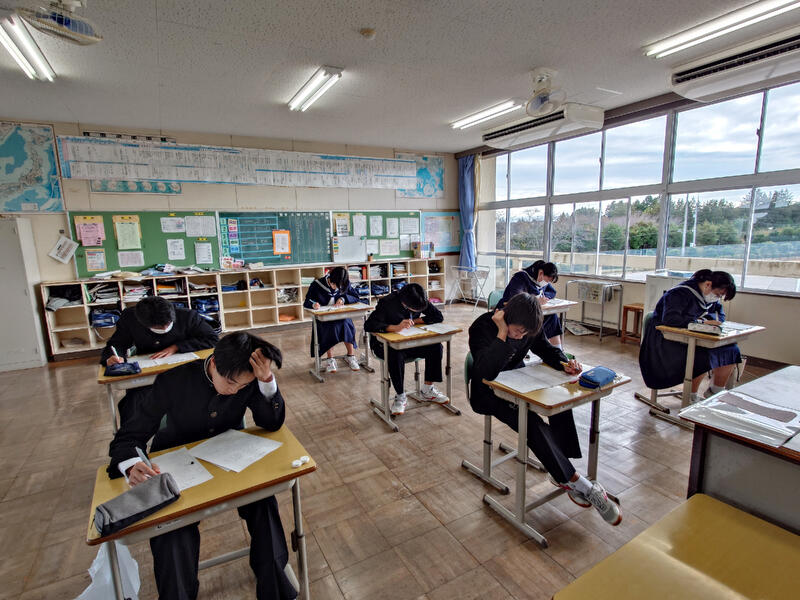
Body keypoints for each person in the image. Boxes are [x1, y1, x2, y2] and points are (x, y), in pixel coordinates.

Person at [107, 332, 296, 600]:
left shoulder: (248, 378)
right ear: (215, 364)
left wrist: (265, 381)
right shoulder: (173, 380)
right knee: (172, 532)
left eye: (243, 386)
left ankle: (275, 589)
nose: (235, 391)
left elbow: (271, 423)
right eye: (231, 383)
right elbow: (129, 436)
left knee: (264, 504)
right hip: (177, 467)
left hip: (230, 460)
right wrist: (132, 465)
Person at [468, 292, 622, 525]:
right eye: (517, 331)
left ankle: (560, 469)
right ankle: (578, 483)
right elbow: (485, 372)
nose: (520, 337)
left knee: (560, 402)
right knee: (531, 422)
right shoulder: (481, 327)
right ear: (505, 317)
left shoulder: (529, 326)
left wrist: (564, 363)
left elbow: (546, 350)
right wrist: (502, 333)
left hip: (519, 384)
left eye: (525, 334)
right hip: (489, 394)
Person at [101, 295, 219, 423]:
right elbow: (116, 344)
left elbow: (211, 339)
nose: (164, 329)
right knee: (135, 404)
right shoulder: (130, 318)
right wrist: (112, 357)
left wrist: (176, 347)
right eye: (158, 327)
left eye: (167, 324)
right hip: (148, 375)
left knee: (198, 397)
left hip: (182, 371)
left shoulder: (186, 316)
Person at [639, 269, 739, 402]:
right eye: (718, 294)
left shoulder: (709, 297)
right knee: (703, 356)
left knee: (731, 349)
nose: (717, 298)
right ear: (708, 284)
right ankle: (690, 396)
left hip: (690, 338)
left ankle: (715, 391)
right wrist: (701, 322)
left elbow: (719, 314)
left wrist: (712, 321)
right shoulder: (678, 293)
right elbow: (670, 320)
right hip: (664, 340)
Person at [364, 283, 447, 415]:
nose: (418, 310)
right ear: (405, 303)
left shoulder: (419, 299)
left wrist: (415, 321)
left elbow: (438, 316)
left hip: (410, 342)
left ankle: (428, 389)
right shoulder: (387, 302)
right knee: (395, 354)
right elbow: (369, 325)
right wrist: (395, 327)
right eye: (415, 309)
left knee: (436, 346)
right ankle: (400, 396)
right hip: (385, 345)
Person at [303, 266, 361, 372]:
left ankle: (351, 356)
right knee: (330, 328)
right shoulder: (317, 284)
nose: (336, 288)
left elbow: (355, 296)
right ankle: (330, 359)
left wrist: (343, 299)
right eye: (334, 285)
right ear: (330, 278)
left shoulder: (344, 283)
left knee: (347, 324)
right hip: (324, 318)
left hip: (340, 316)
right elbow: (307, 301)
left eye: (339, 286)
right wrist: (313, 304)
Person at [497, 260, 563, 347]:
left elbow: (552, 292)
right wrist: (535, 300)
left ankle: (558, 349)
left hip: (531, 312)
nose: (546, 283)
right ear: (541, 273)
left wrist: (544, 298)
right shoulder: (521, 277)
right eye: (547, 281)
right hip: (513, 311)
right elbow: (517, 297)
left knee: (552, 317)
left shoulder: (542, 282)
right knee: (533, 323)